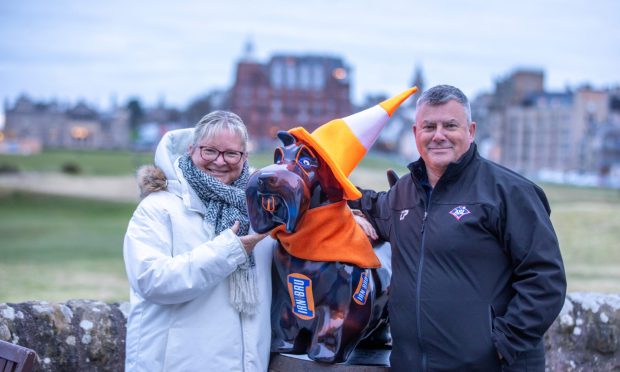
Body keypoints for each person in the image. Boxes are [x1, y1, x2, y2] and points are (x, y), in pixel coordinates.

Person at [349, 85, 566, 371]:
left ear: (471, 130)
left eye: (450, 125)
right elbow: (369, 204)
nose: (438, 135)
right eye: (429, 126)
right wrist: (340, 204)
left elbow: (545, 280)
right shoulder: (403, 195)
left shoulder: (509, 193)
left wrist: (501, 346)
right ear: (416, 134)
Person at [123, 111, 274, 371]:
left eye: (231, 153)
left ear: (244, 157)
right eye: (209, 151)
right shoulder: (159, 208)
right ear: (192, 149)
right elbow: (151, 280)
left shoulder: (262, 209)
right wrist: (231, 250)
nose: (220, 161)